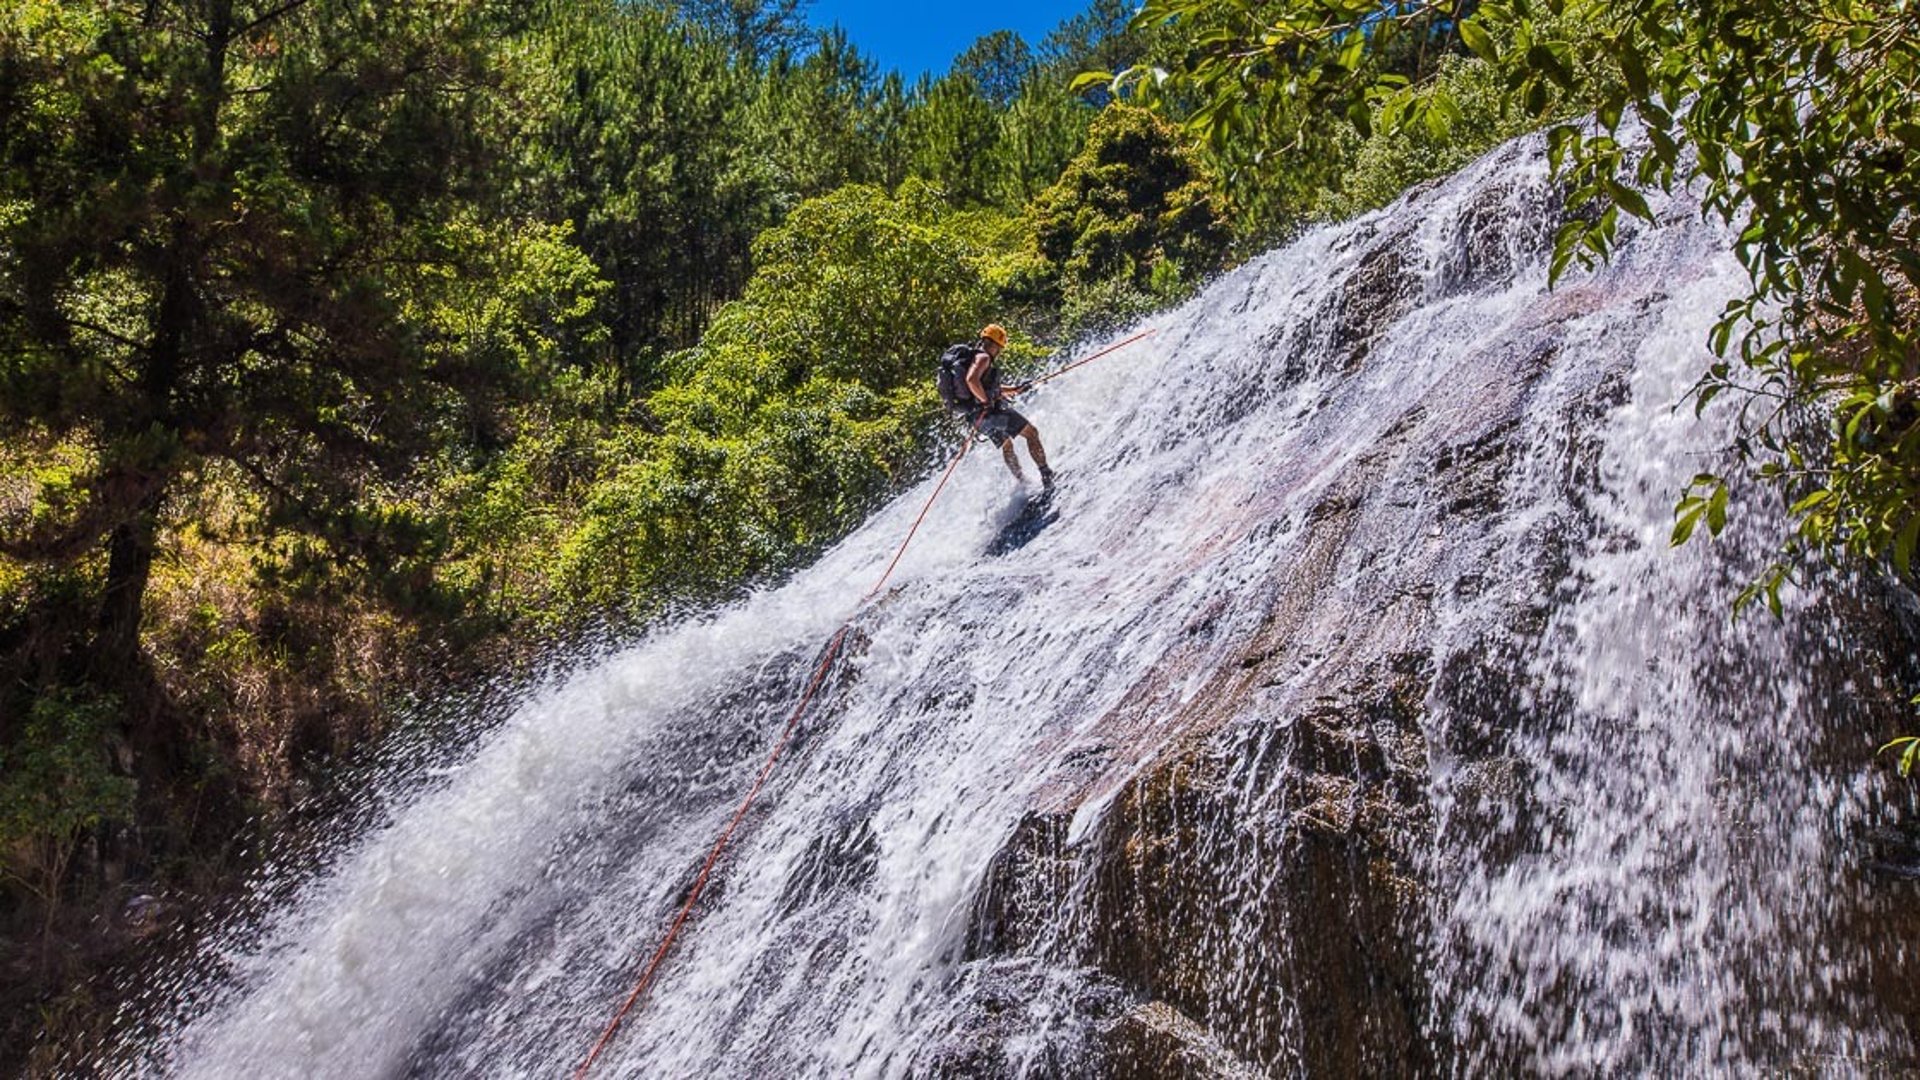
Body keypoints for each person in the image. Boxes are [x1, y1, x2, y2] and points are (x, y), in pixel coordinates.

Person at [955, 323, 1053, 489]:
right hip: (990, 413)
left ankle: (1023, 482)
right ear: (993, 344)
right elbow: (971, 381)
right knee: (1031, 433)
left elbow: (988, 388)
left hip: (977, 419)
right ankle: (1046, 475)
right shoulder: (983, 358)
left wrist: (1015, 389)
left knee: (1007, 445)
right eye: (999, 348)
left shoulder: (970, 359)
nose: (999, 352)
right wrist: (986, 402)